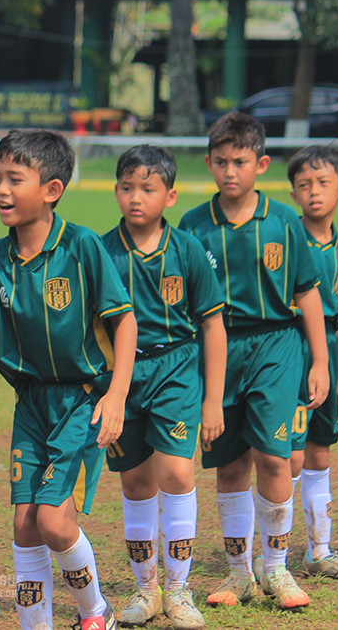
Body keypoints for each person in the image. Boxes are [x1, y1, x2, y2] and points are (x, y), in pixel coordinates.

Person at [0, 129, 136, 630]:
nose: (1, 190)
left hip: (80, 401)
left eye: (15, 178)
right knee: (23, 524)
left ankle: (96, 611)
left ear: (52, 190)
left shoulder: (81, 247)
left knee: (54, 521)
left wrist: (117, 394)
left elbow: (125, 321)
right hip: (30, 405)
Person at [178, 111, 329, 610]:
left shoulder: (284, 221)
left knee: (273, 455)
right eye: (220, 162)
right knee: (229, 464)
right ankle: (239, 571)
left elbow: (307, 293)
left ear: (261, 163)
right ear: (208, 163)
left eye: (240, 161)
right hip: (217, 351)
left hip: (276, 345)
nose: (230, 171)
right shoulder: (194, 225)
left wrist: (320, 361)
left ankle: (278, 568)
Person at [100, 145, 226, 629]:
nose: (136, 198)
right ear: (115, 191)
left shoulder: (188, 250)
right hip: (122, 380)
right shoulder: (103, 251)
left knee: (177, 473)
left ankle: (178, 589)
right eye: (127, 187)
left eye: (148, 189)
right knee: (135, 481)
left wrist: (212, 398)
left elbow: (213, 326)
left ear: (169, 196)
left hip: (175, 371)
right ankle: (146, 590)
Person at [280, 145, 338, 580]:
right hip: (290, 353)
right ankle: (271, 555)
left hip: (329, 364)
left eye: (323, 183)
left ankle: (319, 550)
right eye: (303, 185)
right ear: (293, 193)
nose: (313, 192)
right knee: (290, 458)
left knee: (319, 454)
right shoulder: (284, 237)